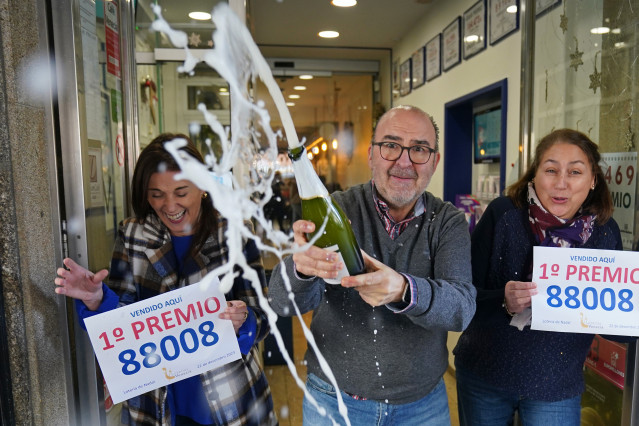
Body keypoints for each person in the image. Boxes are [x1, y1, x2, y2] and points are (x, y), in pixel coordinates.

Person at [268, 105, 476, 425]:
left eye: (419, 149)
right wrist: (301, 270)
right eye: (391, 146)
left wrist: (404, 290)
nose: (403, 161)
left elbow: (462, 307)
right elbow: (283, 302)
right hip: (333, 401)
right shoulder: (334, 208)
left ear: (434, 161)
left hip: (421, 407)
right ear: (371, 155)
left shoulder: (447, 221)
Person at [54, 133, 276, 425]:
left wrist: (244, 318)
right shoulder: (133, 235)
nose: (170, 206)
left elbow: (263, 315)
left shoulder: (234, 232)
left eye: (181, 192)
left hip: (231, 399)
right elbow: (119, 328)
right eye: (156, 194)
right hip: (154, 403)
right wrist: (97, 300)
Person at [453, 129, 631, 425]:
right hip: (485, 375)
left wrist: (627, 311)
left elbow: (618, 328)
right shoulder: (504, 214)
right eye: (551, 170)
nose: (561, 183)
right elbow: (461, 296)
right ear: (535, 174)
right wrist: (503, 300)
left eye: (575, 171)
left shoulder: (604, 231)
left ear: (593, 180)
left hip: (556, 385)